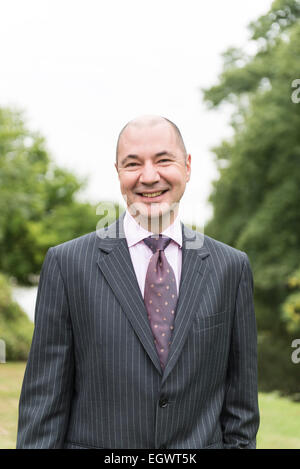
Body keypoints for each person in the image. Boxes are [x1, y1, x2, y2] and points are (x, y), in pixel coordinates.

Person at [17, 115, 259, 449]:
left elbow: (241, 411)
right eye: (133, 164)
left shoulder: (231, 267)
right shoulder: (67, 264)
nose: (148, 176)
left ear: (187, 166)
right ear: (118, 172)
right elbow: (44, 407)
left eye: (163, 160)